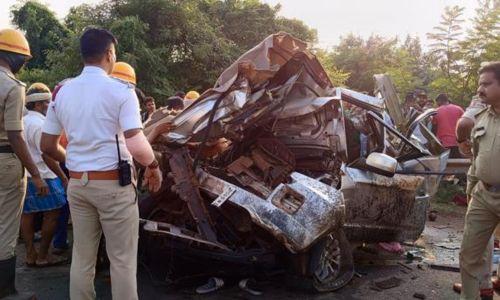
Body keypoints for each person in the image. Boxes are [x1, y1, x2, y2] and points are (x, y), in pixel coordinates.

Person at [40, 28, 162, 300]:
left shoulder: (61, 91)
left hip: (78, 185)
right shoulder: (121, 91)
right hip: (113, 188)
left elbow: (47, 146)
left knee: (83, 257)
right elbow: (135, 143)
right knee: (122, 260)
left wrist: (72, 162)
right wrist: (153, 166)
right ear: (110, 54)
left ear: (83, 54)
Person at [0, 28, 48, 298]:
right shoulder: (11, 85)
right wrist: (36, 175)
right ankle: (7, 292)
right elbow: (16, 135)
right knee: (6, 227)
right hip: (6, 160)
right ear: (14, 57)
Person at [459, 61, 500, 300]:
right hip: (483, 195)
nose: (480, 90)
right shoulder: (481, 118)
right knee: (469, 254)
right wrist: (471, 187)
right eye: (479, 84)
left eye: (486, 84)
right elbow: (475, 157)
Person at [21, 83, 68, 267]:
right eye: (48, 102)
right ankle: (43, 256)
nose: (51, 106)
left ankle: (30, 254)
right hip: (45, 176)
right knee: (53, 214)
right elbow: (47, 155)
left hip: (26, 175)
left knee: (27, 215)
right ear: (39, 105)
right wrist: (63, 177)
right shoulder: (41, 125)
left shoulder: (22, 122)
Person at [432, 93, 464, 158]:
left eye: (437, 102)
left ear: (439, 101)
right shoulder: (459, 109)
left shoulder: (436, 111)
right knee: (458, 165)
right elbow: (465, 125)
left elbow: (434, 129)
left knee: (446, 166)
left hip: (443, 144)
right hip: (458, 143)